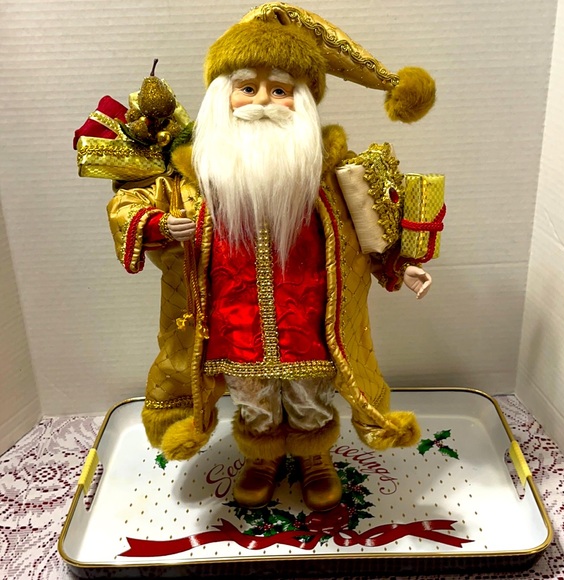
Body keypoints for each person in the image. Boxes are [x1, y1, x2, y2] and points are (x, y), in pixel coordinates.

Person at [82, 3, 440, 512]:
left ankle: (315, 456)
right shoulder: (195, 171)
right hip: (234, 317)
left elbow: (368, 226)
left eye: (280, 90)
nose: (262, 101)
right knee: (252, 395)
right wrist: (158, 224)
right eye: (247, 87)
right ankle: (261, 457)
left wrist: (399, 264)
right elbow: (132, 202)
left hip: (311, 315)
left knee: (310, 393)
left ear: (303, 100)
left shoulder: (329, 171)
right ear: (222, 94)